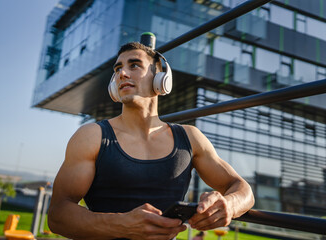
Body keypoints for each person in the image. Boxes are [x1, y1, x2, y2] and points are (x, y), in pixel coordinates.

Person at [48, 41, 254, 240]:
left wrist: (228, 205)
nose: (122, 73)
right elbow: (57, 216)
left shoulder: (190, 137)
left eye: (134, 65)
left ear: (161, 77)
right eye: (118, 68)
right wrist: (123, 225)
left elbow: (241, 189)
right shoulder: (92, 136)